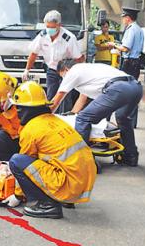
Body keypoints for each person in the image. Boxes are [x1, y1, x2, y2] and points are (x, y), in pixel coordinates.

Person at [8, 81, 96, 219]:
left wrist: (18, 195)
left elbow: (24, 166)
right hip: (81, 181)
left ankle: (47, 205)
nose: (17, 113)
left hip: (69, 183)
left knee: (16, 161)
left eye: (19, 108)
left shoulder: (31, 129)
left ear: (28, 109)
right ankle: (63, 199)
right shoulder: (55, 120)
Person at [53, 59, 143, 166]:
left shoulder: (73, 71)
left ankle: (84, 162)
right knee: (123, 119)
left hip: (118, 89)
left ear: (66, 70)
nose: (64, 79)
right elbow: (82, 98)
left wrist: (44, 115)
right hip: (135, 87)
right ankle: (130, 157)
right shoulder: (88, 70)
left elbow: (57, 100)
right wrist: (72, 113)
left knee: (83, 119)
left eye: (62, 76)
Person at [22, 10, 84, 114]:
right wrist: (27, 70)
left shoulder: (69, 38)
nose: (49, 29)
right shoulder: (43, 36)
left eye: (52, 27)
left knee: (65, 98)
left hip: (66, 71)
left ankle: (65, 119)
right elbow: (33, 53)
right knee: (51, 96)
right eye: (47, 27)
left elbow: (79, 58)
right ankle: (50, 117)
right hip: (51, 70)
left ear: (59, 25)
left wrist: (76, 73)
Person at [108, 7, 144, 127]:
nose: (122, 20)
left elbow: (125, 48)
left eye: (123, 18)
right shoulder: (139, 29)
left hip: (129, 63)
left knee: (125, 90)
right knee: (133, 90)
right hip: (136, 63)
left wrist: (114, 45)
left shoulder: (131, 30)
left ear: (128, 18)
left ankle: (124, 119)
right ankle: (131, 120)